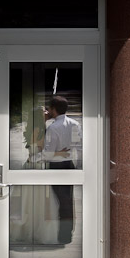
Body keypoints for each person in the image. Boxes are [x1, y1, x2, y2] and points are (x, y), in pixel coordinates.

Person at [43, 95, 81, 245]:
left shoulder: (53, 128)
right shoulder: (75, 124)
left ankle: (61, 234)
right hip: (69, 165)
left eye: (50, 108)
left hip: (56, 167)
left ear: (53, 109)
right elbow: (79, 145)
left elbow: (47, 154)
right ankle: (67, 234)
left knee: (58, 201)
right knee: (67, 201)